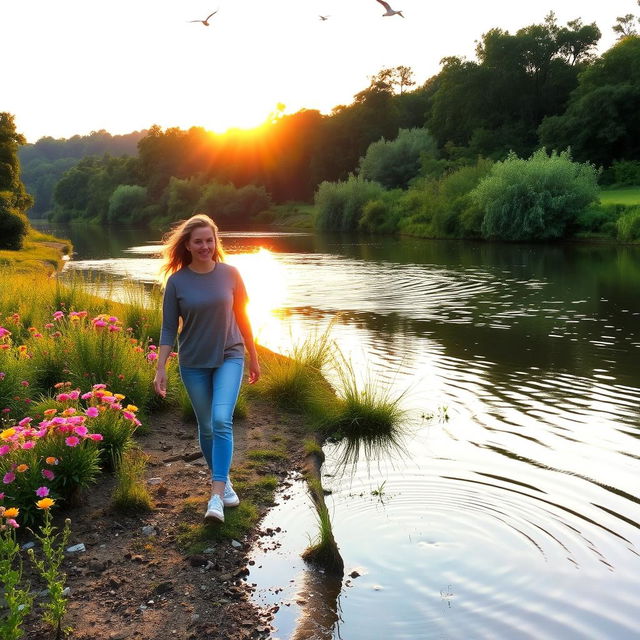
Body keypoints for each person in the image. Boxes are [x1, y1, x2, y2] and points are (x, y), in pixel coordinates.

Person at [153, 213, 260, 523]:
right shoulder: (177, 282)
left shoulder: (231, 274)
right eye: (198, 241)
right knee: (207, 426)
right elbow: (168, 329)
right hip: (194, 362)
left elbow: (243, 317)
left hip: (230, 354)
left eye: (209, 240)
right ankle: (223, 480)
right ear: (187, 245)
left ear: (216, 242)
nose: (204, 246)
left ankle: (215, 496)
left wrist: (253, 356)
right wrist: (160, 367)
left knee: (221, 420)